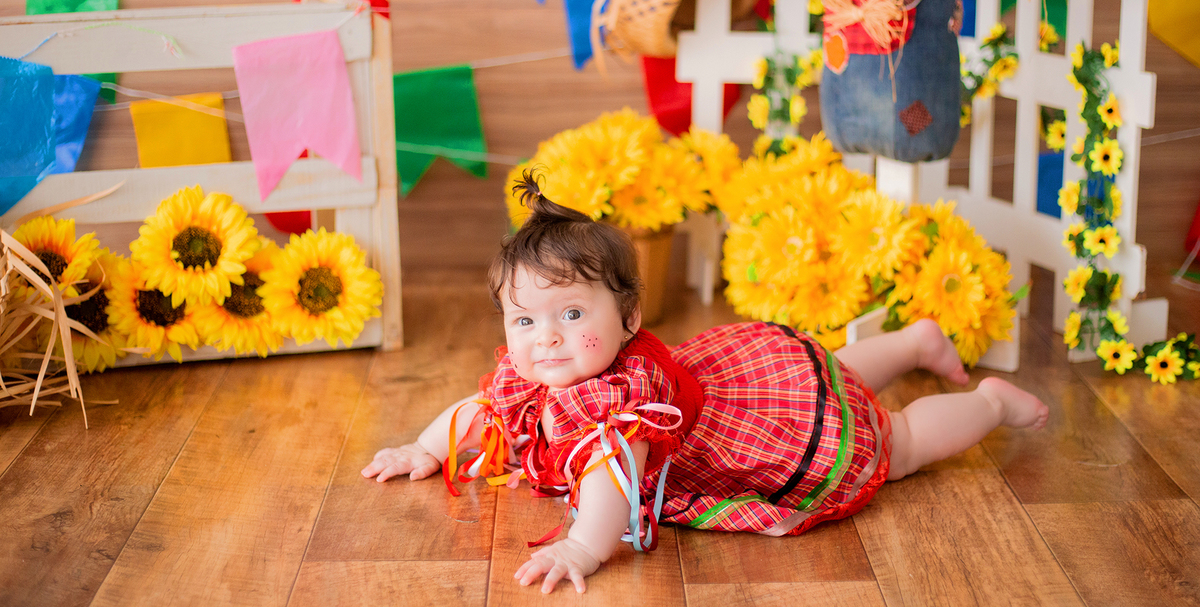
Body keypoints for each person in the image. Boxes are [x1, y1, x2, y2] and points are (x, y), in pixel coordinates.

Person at [362, 171, 1049, 594]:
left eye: (572, 314)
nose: (546, 337)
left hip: (765, 431)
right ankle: (912, 341)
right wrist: (428, 448)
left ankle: (987, 403)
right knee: (826, 371)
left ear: (629, 316)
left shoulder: (618, 412)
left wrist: (581, 544)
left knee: (889, 442)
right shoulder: (533, 372)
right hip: (753, 379)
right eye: (525, 319)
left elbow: (610, 480)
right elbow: (482, 410)